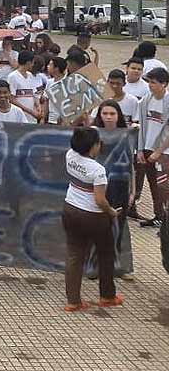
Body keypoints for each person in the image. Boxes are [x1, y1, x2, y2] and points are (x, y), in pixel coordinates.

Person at [61, 126, 122, 312]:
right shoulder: (98, 170)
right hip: (93, 216)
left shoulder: (70, 155)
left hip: (70, 210)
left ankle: (73, 301)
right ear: (93, 147)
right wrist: (111, 212)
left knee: (74, 256)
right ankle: (107, 296)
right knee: (105, 253)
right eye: (98, 143)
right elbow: (99, 200)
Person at [90, 101, 134, 280]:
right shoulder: (93, 133)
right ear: (100, 115)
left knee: (119, 226)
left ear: (119, 116)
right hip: (99, 185)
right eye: (105, 113)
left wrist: (133, 190)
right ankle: (93, 265)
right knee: (97, 225)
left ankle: (118, 266)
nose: (108, 117)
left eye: (112, 113)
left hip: (120, 186)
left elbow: (131, 164)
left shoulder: (128, 135)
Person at [136, 67, 169, 228]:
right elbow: (142, 125)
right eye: (149, 82)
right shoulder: (146, 100)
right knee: (153, 185)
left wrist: (159, 151)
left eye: (154, 83)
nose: (150, 85)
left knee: (163, 186)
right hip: (148, 148)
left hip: (164, 152)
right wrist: (141, 149)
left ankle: (165, 219)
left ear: (164, 84)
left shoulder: (167, 101)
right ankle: (158, 216)